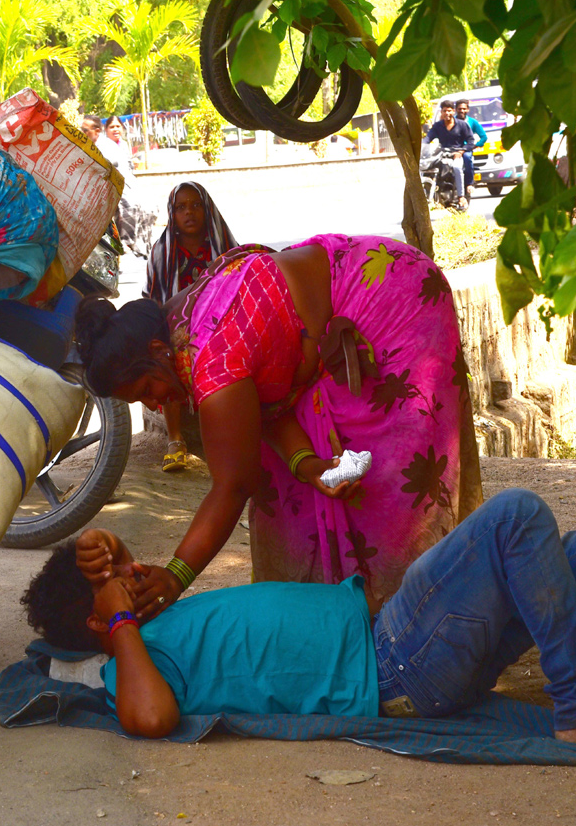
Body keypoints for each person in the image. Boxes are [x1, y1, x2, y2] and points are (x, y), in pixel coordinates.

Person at [21, 489, 576, 751]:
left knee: (569, 559)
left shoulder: (154, 623)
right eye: (123, 579)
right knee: (516, 515)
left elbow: (128, 581)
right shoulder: (131, 665)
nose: (140, 570)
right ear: (103, 618)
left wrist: (117, 566)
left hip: (406, 648)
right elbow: (150, 719)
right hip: (398, 664)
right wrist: (122, 622)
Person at [74, 234, 481, 612]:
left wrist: (176, 576)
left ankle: (419, 620)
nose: (154, 404)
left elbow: (234, 486)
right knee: (293, 488)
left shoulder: (212, 362)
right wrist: (309, 465)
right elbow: (270, 402)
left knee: (394, 486)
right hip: (335, 308)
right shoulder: (175, 324)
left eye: (147, 388)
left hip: (390, 295)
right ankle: (340, 617)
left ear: (158, 350)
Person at [143, 183, 238, 471]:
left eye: (195, 205)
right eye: (181, 207)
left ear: (206, 209)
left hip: (218, 325)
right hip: (178, 330)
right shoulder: (162, 254)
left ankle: (231, 434)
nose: (189, 213)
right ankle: (175, 439)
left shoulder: (224, 249)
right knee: (167, 356)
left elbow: (239, 288)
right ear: (172, 214)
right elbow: (154, 301)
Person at [425, 100, 473, 209]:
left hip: (457, 154)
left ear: (454, 111)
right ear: (441, 112)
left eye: (450, 111)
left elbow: (471, 141)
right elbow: (428, 138)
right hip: (442, 153)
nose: (447, 113)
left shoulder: (462, 125)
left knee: (457, 167)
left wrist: (461, 152)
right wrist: (421, 145)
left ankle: (461, 197)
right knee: (430, 167)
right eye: (445, 111)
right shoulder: (437, 126)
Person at [456, 98, 489, 196]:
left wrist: (475, 145)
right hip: (453, 149)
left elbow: (484, 137)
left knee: (467, 157)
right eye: (459, 109)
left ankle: (469, 183)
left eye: (464, 109)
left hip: (466, 149)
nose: (462, 111)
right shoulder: (451, 120)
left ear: (468, 109)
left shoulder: (472, 122)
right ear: (456, 109)